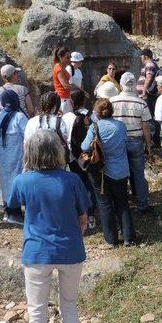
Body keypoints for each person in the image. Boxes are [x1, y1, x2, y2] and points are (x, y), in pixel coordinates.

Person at [7, 130, 89, 323]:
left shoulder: (22, 181)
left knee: (36, 314)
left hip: (36, 251)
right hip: (70, 250)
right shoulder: (71, 179)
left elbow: (12, 210)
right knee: (70, 307)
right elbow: (83, 217)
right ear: (58, 150)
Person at [82, 99, 135, 246]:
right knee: (122, 202)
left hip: (101, 172)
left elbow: (84, 146)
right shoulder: (121, 126)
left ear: (97, 113)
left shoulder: (94, 128)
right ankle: (128, 237)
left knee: (105, 204)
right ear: (112, 111)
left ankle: (111, 239)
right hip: (120, 171)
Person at [110, 72, 152, 214]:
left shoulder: (112, 101)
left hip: (118, 142)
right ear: (134, 85)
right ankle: (142, 204)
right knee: (138, 174)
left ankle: (122, 206)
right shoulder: (141, 102)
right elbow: (146, 127)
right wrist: (148, 146)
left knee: (119, 175)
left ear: (121, 84)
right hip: (136, 141)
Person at [62, 89, 98, 231]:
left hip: (74, 157)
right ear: (84, 101)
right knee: (90, 185)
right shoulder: (92, 115)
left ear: (72, 102)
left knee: (78, 185)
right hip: (90, 156)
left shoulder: (67, 118)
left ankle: (79, 215)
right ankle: (91, 216)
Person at [0, 89, 28, 226]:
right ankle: (15, 214)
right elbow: (29, 134)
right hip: (15, 155)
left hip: (1, 155)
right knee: (16, 182)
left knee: (5, 182)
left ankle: (7, 212)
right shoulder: (19, 116)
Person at [136, 48, 160, 146]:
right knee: (148, 117)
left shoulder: (149, 64)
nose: (140, 58)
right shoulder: (148, 65)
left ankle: (153, 141)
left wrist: (144, 91)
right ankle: (151, 140)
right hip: (146, 95)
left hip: (147, 96)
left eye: (141, 56)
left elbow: (149, 78)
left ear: (145, 56)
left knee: (149, 118)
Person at [52, 46, 72, 114]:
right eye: (67, 57)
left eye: (70, 57)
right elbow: (65, 86)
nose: (70, 59)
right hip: (63, 99)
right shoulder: (59, 68)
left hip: (65, 98)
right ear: (61, 57)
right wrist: (78, 89)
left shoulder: (62, 67)